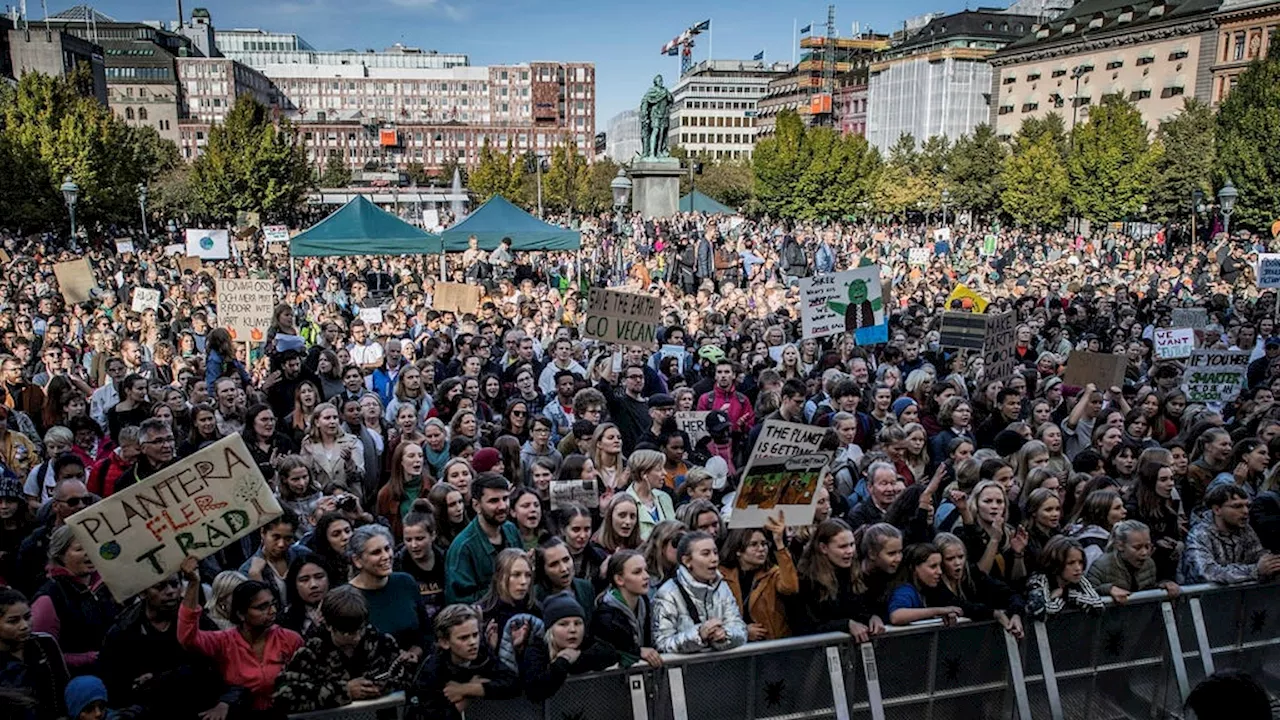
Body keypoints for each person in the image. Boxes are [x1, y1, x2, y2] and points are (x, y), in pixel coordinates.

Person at [98, 574, 239, 718]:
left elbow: (230, 667)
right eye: (160, 587)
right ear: (143, 591)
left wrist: (225, 702)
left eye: (175, 584)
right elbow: (114, 688)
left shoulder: (197, 622)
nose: (171, 591)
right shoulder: (123, 631)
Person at [176, 555, 304, 712]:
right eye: (262, 607)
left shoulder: (290, 639)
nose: (272, 611)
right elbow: (187, 638)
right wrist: (194, 583)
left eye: (273, 604)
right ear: (241, 614)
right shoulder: (223, 642)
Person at [273, 585, 409, 713]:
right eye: (347, 633)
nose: (356, 638)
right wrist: (344, 691)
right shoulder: (312, 653)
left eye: (359, 630)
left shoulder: (383, 643)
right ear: (329, 626)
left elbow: (404, 678)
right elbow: (283, 696)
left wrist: (382, 686)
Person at [30, 525, 119, 673]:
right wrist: (88, 658)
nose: (89, 553)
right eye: (79, 549)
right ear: (60, 555)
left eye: (93, 546)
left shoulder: (107, 585)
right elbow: (41, 653)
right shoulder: (49, 597)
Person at [408, 604, 519, 720]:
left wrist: (468, 689)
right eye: (463, 638)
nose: (473, 642)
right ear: (445, 642)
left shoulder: (482, 654)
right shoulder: (432, 670)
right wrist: (460, 704)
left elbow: (512, 682)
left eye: (475, 635)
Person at [652, 531, 746, 653]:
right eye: (706, 554)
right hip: (684, 670)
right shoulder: (667, 593)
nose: (714, 559)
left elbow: (740, 629)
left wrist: (725, 635)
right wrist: (698, 635)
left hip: (721, 668)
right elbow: (662, 643)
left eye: (715, 552)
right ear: (687, 561)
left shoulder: (722, 587)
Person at [793, 519, 885, 642]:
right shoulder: (806, 580)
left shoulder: (856, 574)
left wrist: (872, 617)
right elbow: (805, 627)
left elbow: (863, 608)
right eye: (843, 546)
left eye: (852, 544)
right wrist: (845, 625)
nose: (850, 551)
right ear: (823, 548)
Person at [514, 592, 618, 701]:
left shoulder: (586, 641)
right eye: (563, 624)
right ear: (550, 629)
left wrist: (575, 659)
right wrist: (563, 661)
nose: (573, 630)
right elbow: (536, 690)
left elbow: (610, 654)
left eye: (578, 623)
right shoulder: (536, 649)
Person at [346, 524, 427, 661]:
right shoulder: (346, 597)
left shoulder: (405, 582)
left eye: (387, 548)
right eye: (376, 552)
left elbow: (426, 632)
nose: (386, 556)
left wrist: (415, 652)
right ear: (357, 560)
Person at [718, 512, 798, 641]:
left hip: (771, 645)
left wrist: (779, 544)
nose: (761, 549)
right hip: (736, 646)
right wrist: (743, 631)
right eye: (754, 544)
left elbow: (790, 587)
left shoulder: (772, 573)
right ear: (738, 550)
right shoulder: (722, 576)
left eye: (764, 544)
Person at [444, 472, 522, 604]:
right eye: (494, 501)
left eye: (505, 498)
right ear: (476, 505)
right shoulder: (463, 547)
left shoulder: (511, 530)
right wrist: (503, 589)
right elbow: (460, 601)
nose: (502, 506)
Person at [1180, 484, 1280, 585]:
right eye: (1237, 506)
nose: (1245, 511)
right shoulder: (1199, 534)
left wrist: (1272, 563)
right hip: (1199, 598)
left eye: (1247, 506)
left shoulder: (1245, 530)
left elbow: (1258, 554)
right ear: (1217, 510)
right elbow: (1206, 573)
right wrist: (1254, 570)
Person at [0, 586, 70, 720]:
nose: (24, 625)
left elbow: (65, 686)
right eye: (13, 621)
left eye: (27, 617)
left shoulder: (44, 643)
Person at [590, 550, 662, 667]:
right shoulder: (605, 617)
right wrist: (637, 652)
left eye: (646, 570)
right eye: (637, 572)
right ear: (619, 579)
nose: (646, 576)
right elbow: (606, 654)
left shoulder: (645, 603)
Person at [1085, 519, 1181, 603]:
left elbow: (1148, 589)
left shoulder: (1149, 564)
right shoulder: (1101, 566)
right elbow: (1085, 593)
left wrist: (1164, 586)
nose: (1144, 553)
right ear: (1120, 545)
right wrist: (1107, 590)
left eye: (1147, 546)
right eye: (1137, 547)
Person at [1025, 536, 1105, 619]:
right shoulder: (1039, 579)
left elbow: (1098, 605)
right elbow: (1039, 610)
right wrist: (1062, 600)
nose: (1078, 568)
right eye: (1071, 563)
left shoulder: (1079, 579)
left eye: (1080, 562)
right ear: (1056, 563)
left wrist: (1066, 594)